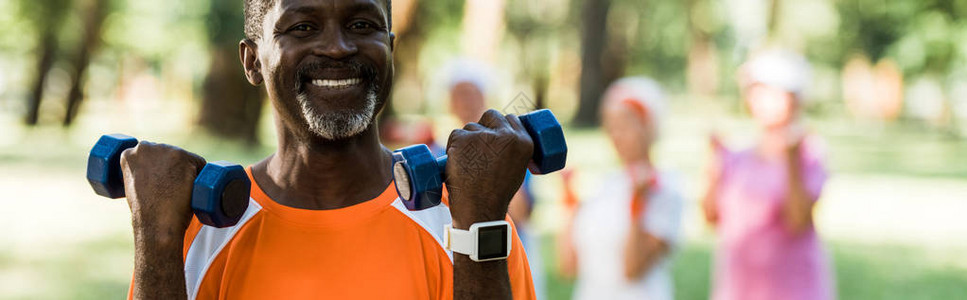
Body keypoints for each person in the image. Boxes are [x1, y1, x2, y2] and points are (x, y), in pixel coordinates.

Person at [118, 0, 537, 299]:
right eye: (302, 26)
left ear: (390, 47)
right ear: (252, 62)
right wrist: (154, 237)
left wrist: (478, 226)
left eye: (361, 25)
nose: (337, 48)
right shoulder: (195, 235)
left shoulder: (469, 223)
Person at [702, 49, 834, 300]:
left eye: (770, 91)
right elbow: (711, 218)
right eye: (755, 91)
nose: (760, 99)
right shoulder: (736, 156)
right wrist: (712, 165)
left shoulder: (809, 154)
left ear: (794, 98)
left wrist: (792, 162)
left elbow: (798, 221)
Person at [558, 77, 684, 300]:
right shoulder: (605, 186)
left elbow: (632, 269)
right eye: (611, 124)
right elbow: (569, 267)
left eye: (625, 124)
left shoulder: (665, 189)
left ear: (649, 126)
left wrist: (638, 203)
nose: (616, 135)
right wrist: (568, 201)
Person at [446, 58, 546, 299]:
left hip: (510, 249)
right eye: (459, 95)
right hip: (459, 254)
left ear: (484, 98)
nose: (465, 102)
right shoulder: (441, 153)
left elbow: (523, 213)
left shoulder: (511, 149)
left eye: (471, 94)